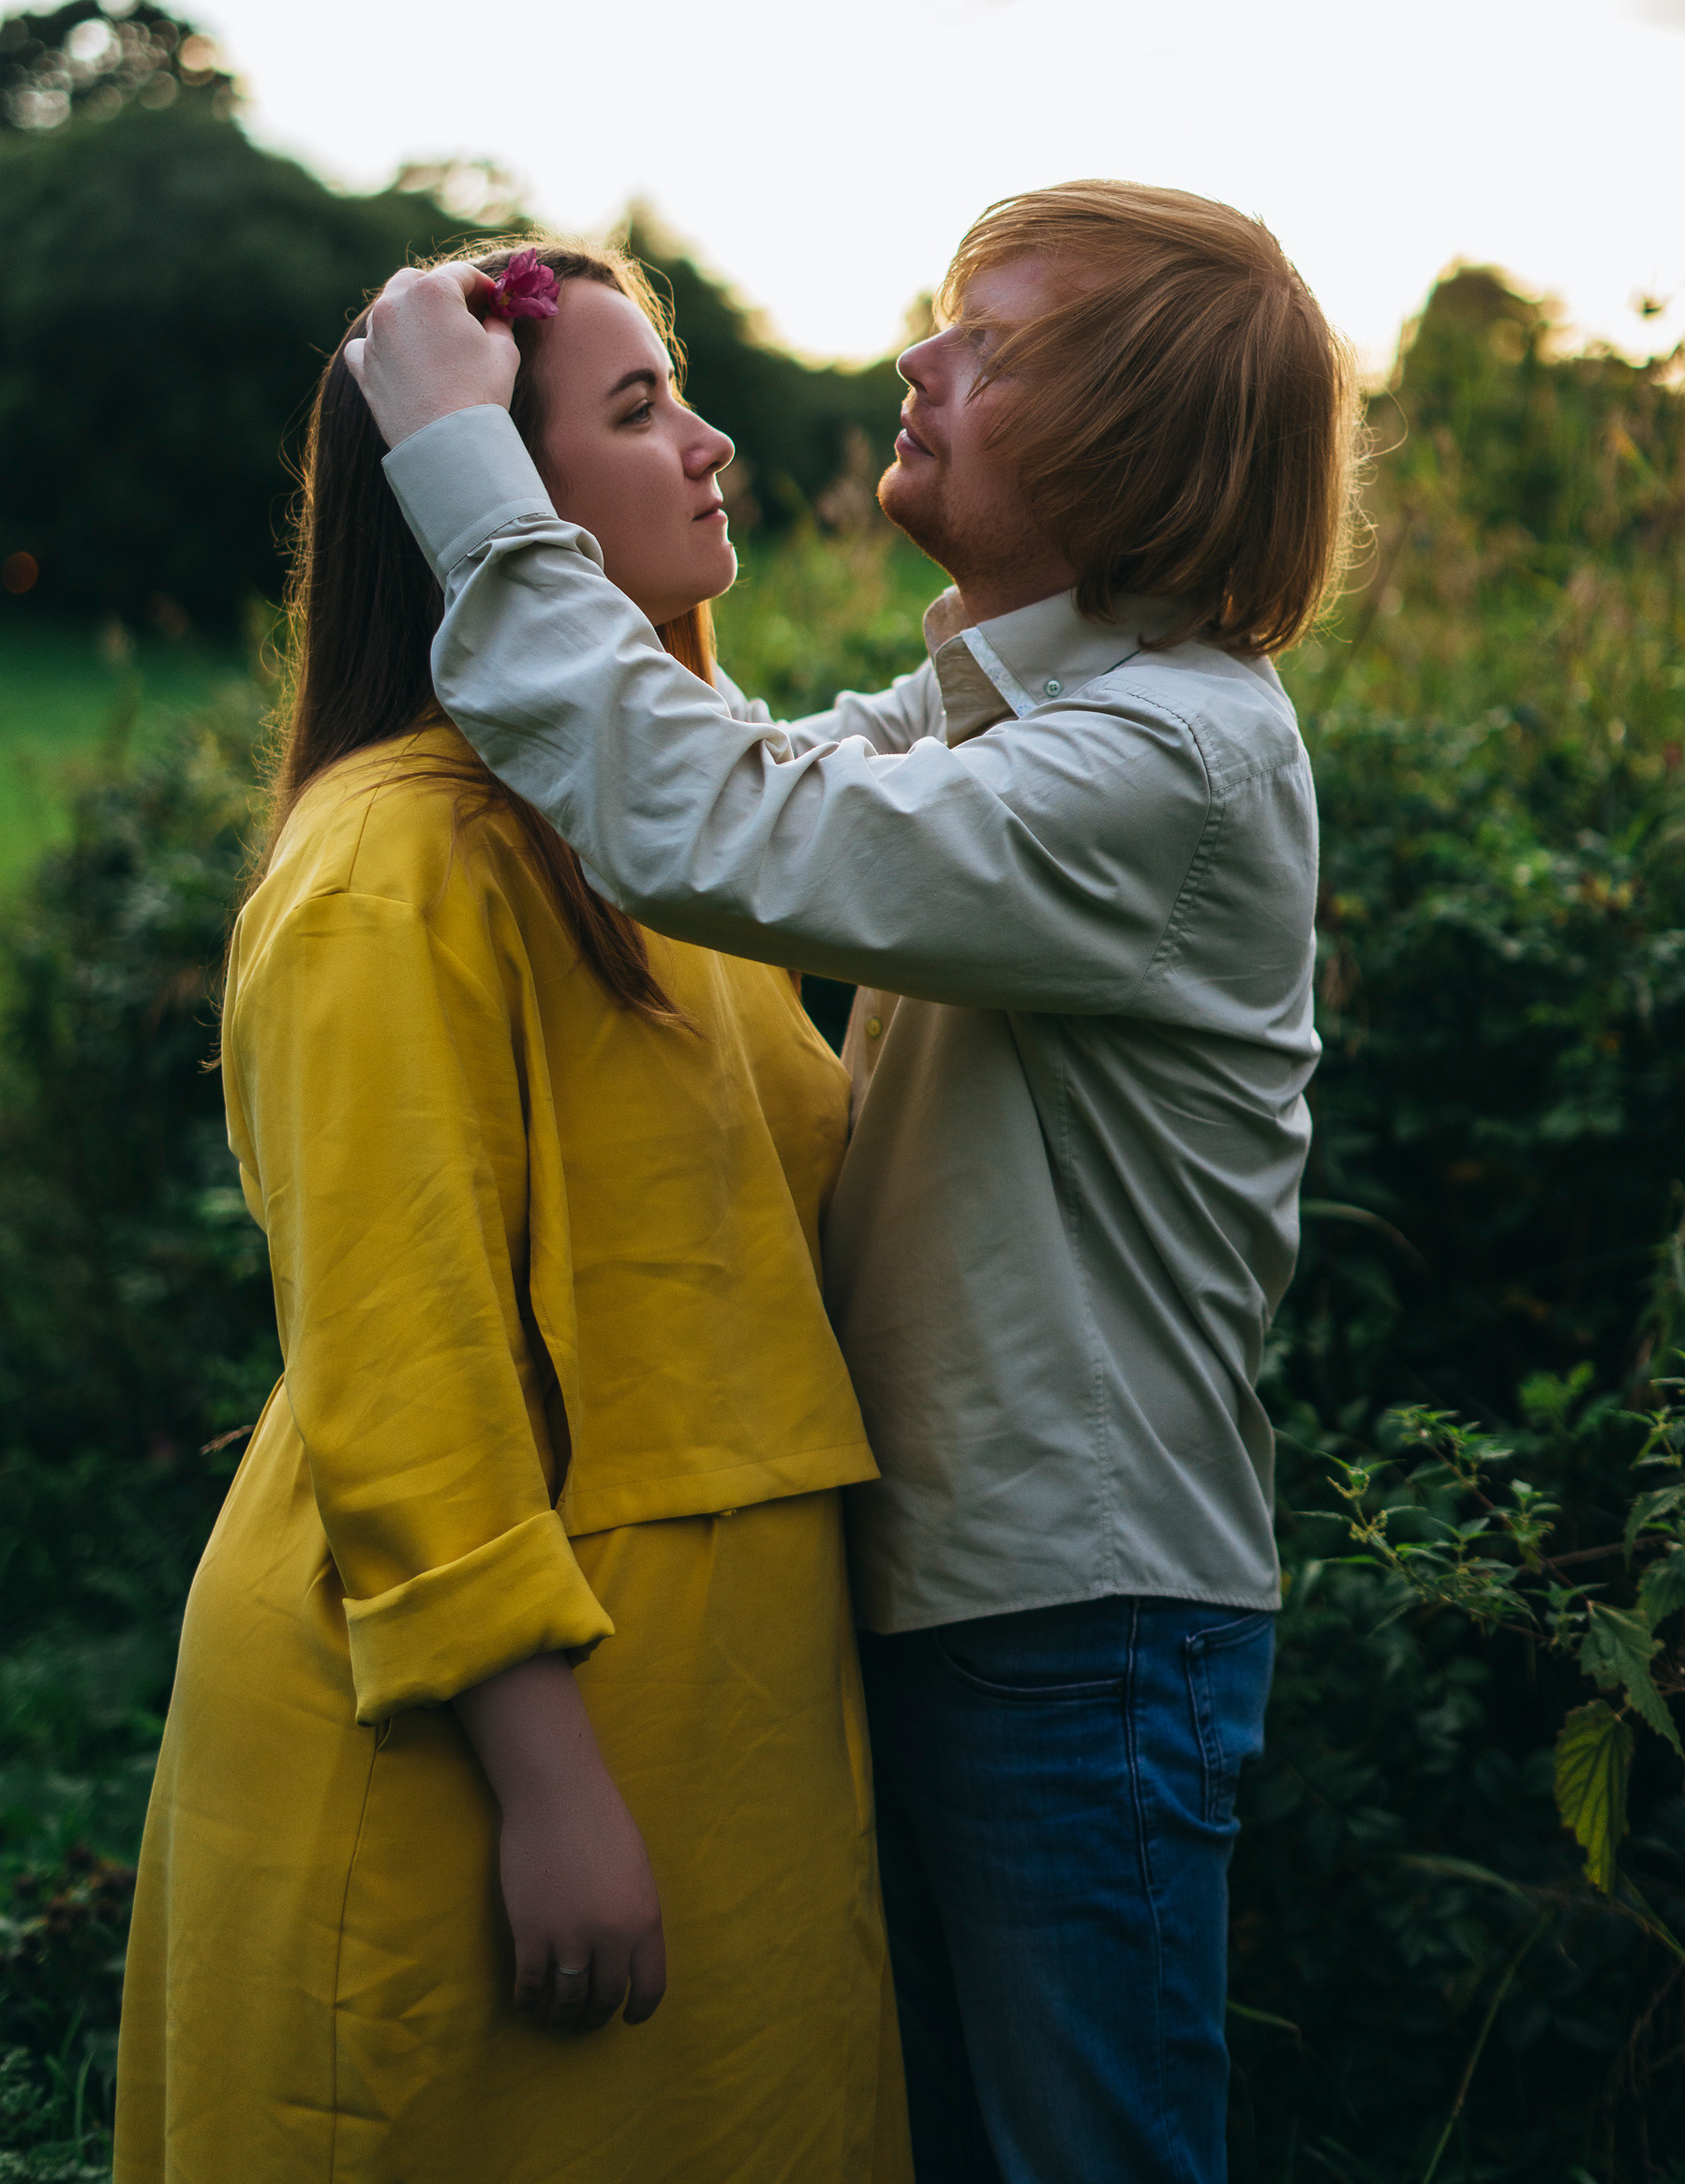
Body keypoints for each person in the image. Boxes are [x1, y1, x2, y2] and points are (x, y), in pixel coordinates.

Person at [350, 180, 1359, 2184]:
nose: (921, 361)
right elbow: (741, 771)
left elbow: (710, 820)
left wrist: (470, 464)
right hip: (989, 1597)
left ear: (1128, 438)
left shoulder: (1168, 766)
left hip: (1080, 1625)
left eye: (990, 342)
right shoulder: (1018, 712)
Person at [114, 245, 912, 2184]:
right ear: (482, 497)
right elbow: (404, 1356)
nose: (713, 447)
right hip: (480, 1759)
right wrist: (549, 1785)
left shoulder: (668, 850)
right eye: (639, 412)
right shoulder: (395, 866)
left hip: (729, 1716)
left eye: (682, 392)